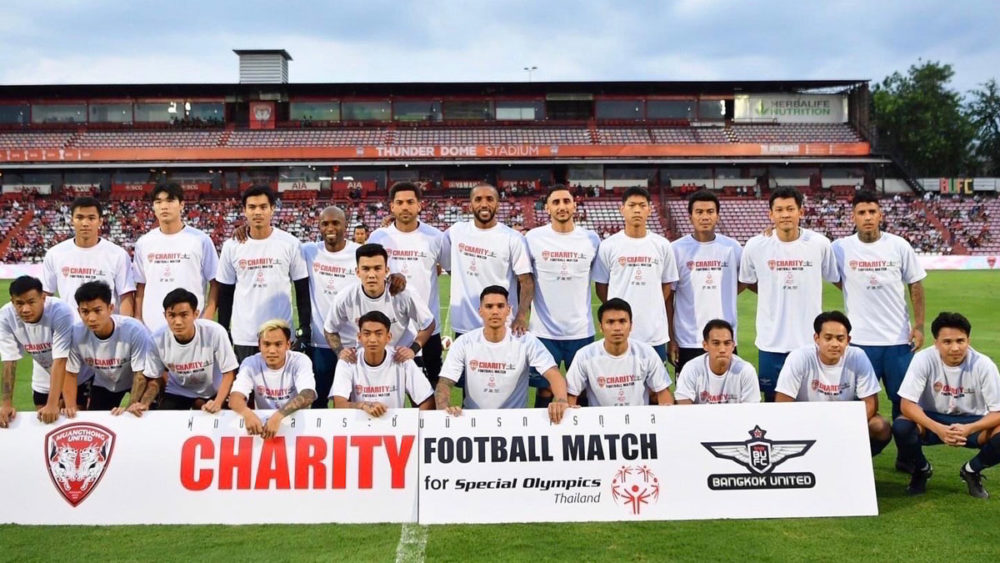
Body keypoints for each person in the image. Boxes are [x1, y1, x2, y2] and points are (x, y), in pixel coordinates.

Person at [832, 190, 926, 422]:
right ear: (853, 217)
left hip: (898, 339)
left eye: (872, 211)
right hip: (860, 341)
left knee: (903, 403)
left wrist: (919, 325)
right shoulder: (840, 248)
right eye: (862, 212)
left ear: (880, 215)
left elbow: (915, 284)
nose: (867, 217)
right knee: (860, 405)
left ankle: (906, 446)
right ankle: (864, 445)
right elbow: (825, 267)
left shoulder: (899, 245)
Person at [739, 187, 839, 401]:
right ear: (771, 214)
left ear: (801, 212)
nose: (785, 214)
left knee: (811, 401)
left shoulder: (819, 243)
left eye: (790, 209)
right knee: (773, 401)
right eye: (779, 210)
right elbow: (747, 281)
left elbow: (834, 276)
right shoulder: (755, 245)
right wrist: (770, 290)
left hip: (809, 343)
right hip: (771, 342)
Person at [892, 312, 1000, 498]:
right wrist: (939, 428)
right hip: (932, 420)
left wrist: (969, 428)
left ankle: (972, 470)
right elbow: (907, 404)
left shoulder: (984, 365)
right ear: (936, 343)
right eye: (947, 342)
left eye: (960, 341)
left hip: (973, 422)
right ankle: (921, 469)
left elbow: (997, 411)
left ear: (968, 340)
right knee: (902, 426)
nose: (955, 348)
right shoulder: (923, 359)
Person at [434, 286, 569, 424]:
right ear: (480, 311)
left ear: (508, 310)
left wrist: (561, 400)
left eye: (500, 306)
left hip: (515, 423)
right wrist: (444, 408)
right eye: (489, 306)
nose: (495, 311)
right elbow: (445, 383)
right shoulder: (464, 342)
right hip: (474, 421)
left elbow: (554, 374)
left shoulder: (526, 341)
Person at [524, 184, 602, 408]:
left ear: (575, 206)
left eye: (566, 201)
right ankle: (542, 429)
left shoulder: (591, 239)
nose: (562, 206)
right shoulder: (533, 238)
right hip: (543, 331)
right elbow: (525, 280)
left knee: (582, 388)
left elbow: (600, 281)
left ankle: (585, 429)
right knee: (545, 388)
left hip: (581, 330)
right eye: (556, 202)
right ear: (547, 208)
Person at [775, 311, 891, 456]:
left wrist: (843, 427)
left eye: (840, 338)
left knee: (880, 427)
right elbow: (782, 403)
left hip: (844, 420)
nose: (834, 344)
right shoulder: (799, 357)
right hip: (806, 419)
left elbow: (871, 404)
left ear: (848, 340)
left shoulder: (858, 356)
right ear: (816, 338)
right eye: (828, 338)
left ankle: (857, 459)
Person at [216, 185, 310, 363]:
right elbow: (225, 293)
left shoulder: (290, 243)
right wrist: (223, 330)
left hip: (280, 334)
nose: (257, 212)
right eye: (252, 207)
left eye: (263, 207)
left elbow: (302, 291)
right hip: (244, 336)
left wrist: (304, 329)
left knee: (280, 381)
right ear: (244, 210)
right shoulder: (231, 246)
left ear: (272, 209)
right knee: (246, 380)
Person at [368, 182, 449, 388]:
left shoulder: (436, 237)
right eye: (400, 202)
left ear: (419, 205)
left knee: (429, 388)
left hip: (427, 326)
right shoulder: (378, 237)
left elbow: (450, 269)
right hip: (388, 326)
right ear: (392, 206)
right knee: (386, 386)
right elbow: (368, 275)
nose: (405, 207)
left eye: (410, 202)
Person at [594, 186, 679, 364]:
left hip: (654, 333)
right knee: (621, 380)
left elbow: (667, 284)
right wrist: (617, 310)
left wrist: (652, 303)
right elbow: (601, 287)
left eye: (642, 205)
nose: (637, 210)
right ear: (622, 209)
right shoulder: (608, 246)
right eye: (632, 205)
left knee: (656, 381)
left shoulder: (662, 245)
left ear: (650, 209)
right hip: (620, 333)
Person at [443, 183, 533, 338]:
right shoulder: (455, 232)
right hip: (464, 326)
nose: (484, 204)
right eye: (478, 199)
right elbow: (444, 262)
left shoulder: (513, 238)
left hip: (503, 325)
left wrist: (521, 316)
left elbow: (527, 282)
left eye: (490, 199)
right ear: (470, 206)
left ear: (497, 206)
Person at [668, 190, 743, 374]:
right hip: (688, 340)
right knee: (688, 390)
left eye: (710, 211)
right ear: (690, 217)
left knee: (726, 389)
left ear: (717, 215)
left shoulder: (732, 248)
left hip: (725, 339)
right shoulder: (676, 250)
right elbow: (669, 297)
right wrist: (671, 337)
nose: (705, 217)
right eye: (699, 212)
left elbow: (744, 280)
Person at [324, 243, 435, 366]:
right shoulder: (346, 297)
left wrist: (413, 350)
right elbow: (330, 329)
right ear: (357, 272)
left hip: (402, 358)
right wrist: (340, 352)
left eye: (377, 268)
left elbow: (428, 323)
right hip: (368, 360)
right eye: (366, 269)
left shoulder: (404, 293)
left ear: (386, 270)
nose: (371, 275)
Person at [132, 182, 219, 333]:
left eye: (170, 201)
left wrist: (207, 317)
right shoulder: (144, 243)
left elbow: (215, 283)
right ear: (153, 206)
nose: (164, 206)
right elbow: (141, 286)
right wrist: (138, 318)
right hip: (152, 328)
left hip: (191, 327)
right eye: (158, 202)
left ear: (182, 205)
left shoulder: (200, 240)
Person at [66, 281, 157, 415]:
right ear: (78, 311)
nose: (91, 318)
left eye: (98, 311)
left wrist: (130, 407)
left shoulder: (134, 330)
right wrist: (70, 406)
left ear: (111, 308)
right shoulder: (76, 334)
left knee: (140, 413)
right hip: (104, 383)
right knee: (97, 420)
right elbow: (70, 373)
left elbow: (140, 374)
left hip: (135, 379)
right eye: (85, 312)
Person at [300, 205, 360, 408]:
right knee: (318, 402)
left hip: (353, 344)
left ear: (346, 225)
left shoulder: (358, 253)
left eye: (335, 223)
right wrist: (246, 229)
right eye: (325, 224)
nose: (330, 228)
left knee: (351, 403)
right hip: (320, 343)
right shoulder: (309, 251)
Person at [42, 196, 135, 321]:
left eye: (91, 218)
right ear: (71, 220)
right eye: (79, 217)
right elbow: (46, 294)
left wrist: (124, 327)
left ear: (100, 221)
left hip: (106, 328)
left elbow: (126, 295)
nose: (85, 223)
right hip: (70, 327)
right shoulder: (55, 254)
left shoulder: (118, 255)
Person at [566, 298, 673, 407]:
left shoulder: (647, 353)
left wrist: (666, 412)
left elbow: (663, 392)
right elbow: (571, 394)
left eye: (622, 321)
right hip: (600, 417)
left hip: (638, 416)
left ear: (631, 325)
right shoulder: (584, 356)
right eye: (610, 322)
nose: (617, 328)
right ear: (600, 327)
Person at [0, 276, 76, 427]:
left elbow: (61, 359)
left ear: (43, 298)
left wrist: (52, 403)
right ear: (12, 301)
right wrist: (6, 404)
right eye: (19, 303)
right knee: (44, 423)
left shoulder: (60, 311)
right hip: (43, 372)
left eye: (31, 302)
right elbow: (9, 360)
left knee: (75, 420)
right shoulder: (5, 316)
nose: (25, 309)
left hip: (75, 373)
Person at [147, 288, 238, 411]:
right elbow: (154, 377)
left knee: (226, 416)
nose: (178, 322)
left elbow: (229, 372)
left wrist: (217, 402)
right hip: (178, 391)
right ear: (165, 316)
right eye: (172, 315)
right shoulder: (156, 339)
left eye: (184, 315)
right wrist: (145, 403)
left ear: (196, 314)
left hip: (213, 392)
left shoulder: (215, 332)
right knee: (164, 419)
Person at [330, 311, 434, 416]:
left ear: (388, 337)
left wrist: (411, 423)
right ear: (359, 337)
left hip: (394, 424)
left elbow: (427, 399)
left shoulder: (402, 360)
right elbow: (339, 404)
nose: (372, 340)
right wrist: (362, 406)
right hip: (359, 424)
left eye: (378, 334)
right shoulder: (347, 362)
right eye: (367, 334)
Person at [230, 319, 317, 439]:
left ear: (288, 345)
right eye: (266, 344)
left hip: (296, 423)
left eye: (278, 344)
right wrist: (247, 414)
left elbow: (308, 394)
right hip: (264, 426)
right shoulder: (250, 363)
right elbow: (235, 398)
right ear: (259, 345)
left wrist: (278, 416)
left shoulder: (300, 360)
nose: (272, 350)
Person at [675, 319, 760, 405]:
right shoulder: (691, 369)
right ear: (705, 345)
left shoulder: (746, 371)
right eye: (716, 343)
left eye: (727, 343)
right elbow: (683, 405)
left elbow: (751, 410)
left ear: (733, 346)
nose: (722, 349)